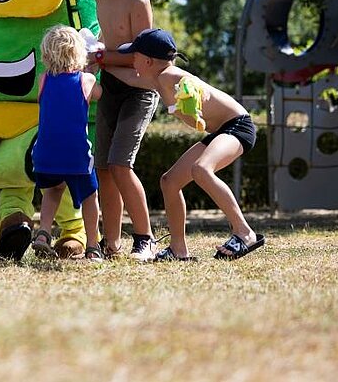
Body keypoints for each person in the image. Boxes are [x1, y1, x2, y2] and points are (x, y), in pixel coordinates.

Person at [106, 28, 265, 261]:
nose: (131, 60)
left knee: (201, 169)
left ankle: (244, 232)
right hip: (222, 129)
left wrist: (194, 94)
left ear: (148, 61)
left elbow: (190, 82)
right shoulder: (157, 78)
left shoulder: (169, 76)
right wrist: (99, 64)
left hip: (238, 126)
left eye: (134, 56)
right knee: (169, 182)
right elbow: (131, 78)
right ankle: (178, 249)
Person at [88, 0, 160, 261]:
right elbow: (105, 35)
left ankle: (145, 238)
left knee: (120, 164)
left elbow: (144, 56)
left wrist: (99, 56)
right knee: (103, 167)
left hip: (138, 92)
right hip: (111, 88)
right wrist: (93, 54)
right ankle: (111, 243)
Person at [30, 26, 104, 262]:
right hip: (76, 153)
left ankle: (43, 234)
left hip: (45, 152)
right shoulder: (87, 79)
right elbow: (99, 94)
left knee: (52, 191)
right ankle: (93, 246)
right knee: (90, 197)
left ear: (47, 54)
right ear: (78, 53)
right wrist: (92, 69)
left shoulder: (43, 80)